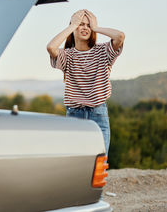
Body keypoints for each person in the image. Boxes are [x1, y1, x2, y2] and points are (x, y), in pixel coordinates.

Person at [46, 9, 125, 155]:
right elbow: (51, 47)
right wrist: (72, 25)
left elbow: (120, 36)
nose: (85, 28)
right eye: (80, 24)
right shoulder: (67, 56)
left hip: (98, 115)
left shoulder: (103, 51)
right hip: (74, 116)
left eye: (88, 25)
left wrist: (96, 28)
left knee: (99, 163)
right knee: (76, 164)